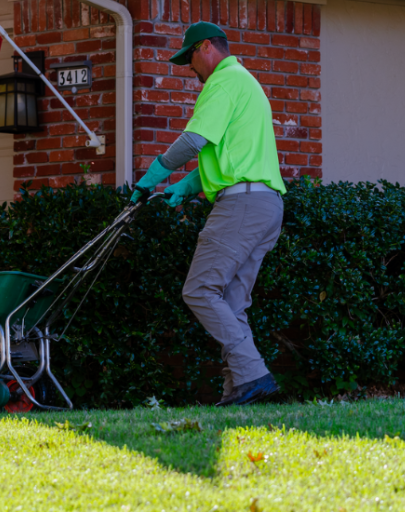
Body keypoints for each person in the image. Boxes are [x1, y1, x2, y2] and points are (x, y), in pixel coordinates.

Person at [131, 21, 287, 406]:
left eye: (190, 60)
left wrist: (154, 174)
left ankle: (254, 375)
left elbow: (194, 140)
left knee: (199, 290)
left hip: (242, 205)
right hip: (266, 204)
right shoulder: (247, 83)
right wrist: (183, 188)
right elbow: (228, 154)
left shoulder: (223, 81)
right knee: (232, 303)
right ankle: (239, 390)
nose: (190, 70)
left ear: (205, 48)